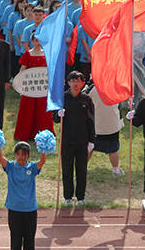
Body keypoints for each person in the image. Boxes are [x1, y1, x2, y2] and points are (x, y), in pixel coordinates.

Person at [0, 141, 45, 250]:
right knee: (16, 240)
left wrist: (43, 148)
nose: (21, 157)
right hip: (14, 209)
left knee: (29, 240)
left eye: (24, 154)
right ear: (15, 155)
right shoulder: (11, 167)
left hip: (30, 210)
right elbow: (0, 158)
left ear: (28, 155)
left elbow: (42, 161)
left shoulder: (32, 167)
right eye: (19, 154)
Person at [57, 71, 96, 206]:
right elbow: (55, 119)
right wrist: (58, 113)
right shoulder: (62, 98)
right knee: (67, 170)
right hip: (67, 140)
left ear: (83, 83)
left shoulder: (87, 99)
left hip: (82, 141)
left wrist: (92, 141)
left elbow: (91, 121)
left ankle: (81, 197)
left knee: (81, 170)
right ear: (68, 82)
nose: (75, 83)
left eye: (78, 81)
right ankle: (67, 197)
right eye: (73, 81)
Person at [13, 37, 52, 142]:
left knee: (43, 110)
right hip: (30, 88)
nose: (38, 42)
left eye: (39, 40)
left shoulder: (47, 53)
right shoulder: (27, 54)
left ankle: (44, 134)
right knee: (27, 110)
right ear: (32, 41)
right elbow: (23, 70)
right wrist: (19, 84)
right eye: (35, 40)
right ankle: (26, 134)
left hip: (42, 87)